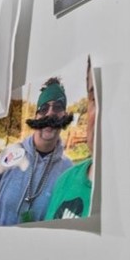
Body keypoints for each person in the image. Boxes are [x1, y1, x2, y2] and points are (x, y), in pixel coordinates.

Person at [0, 77, 74, 226]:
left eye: (58, 107)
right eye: (44, 108)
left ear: (64, 116)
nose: (50, 114)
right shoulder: (7, 156)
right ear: (36, 116)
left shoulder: (68, 172)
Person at [44, 58, 96, 220]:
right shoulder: (65, 181)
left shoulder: (64, 166)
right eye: (95, 98)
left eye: (58, 108)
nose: (49, 114)